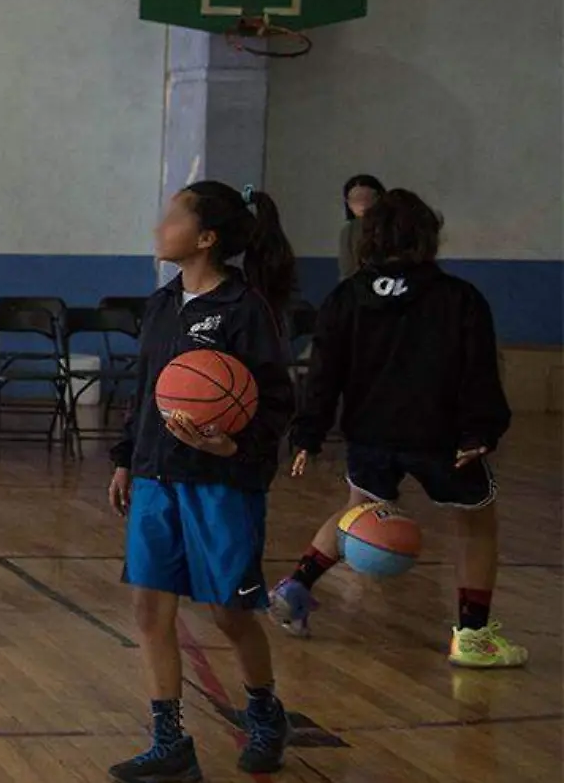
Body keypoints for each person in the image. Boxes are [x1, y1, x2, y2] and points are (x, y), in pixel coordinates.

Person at [271, 189, 524, 667]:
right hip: (442, 437)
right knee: (476, 525)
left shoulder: (346, 297)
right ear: (429, 236)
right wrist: (481, 431)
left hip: (372, 433)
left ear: (368, 238)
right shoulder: (459, 298)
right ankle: (472, 637)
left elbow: (325, 374)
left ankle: (296, 586)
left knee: (357, 513)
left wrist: (309, 433)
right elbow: (479, 372)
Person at [107, 181, 297, 782]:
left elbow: (277, 402)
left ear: (206, 238)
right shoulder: (162, 305)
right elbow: (144, 391)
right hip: (156, 475)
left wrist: (232, 444)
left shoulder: (245, 310)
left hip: (221, 482)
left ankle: (266, 713)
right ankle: (170, 743)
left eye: (173, 218)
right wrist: (124, 458)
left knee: (230, 615)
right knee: (148, 609)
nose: (161, 227)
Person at [337, 174, 385, 280]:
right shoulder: (349, 231)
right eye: (355, 200)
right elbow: (346, 270)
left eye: (367, 198)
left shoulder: (389, 226)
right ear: (348, 203)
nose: (362, 204)